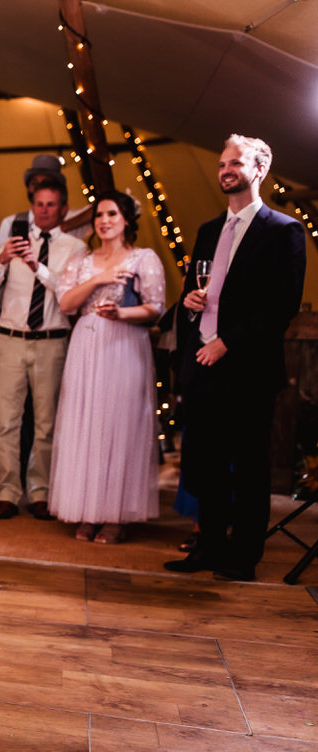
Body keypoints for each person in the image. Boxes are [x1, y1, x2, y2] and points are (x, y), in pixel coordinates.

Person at [166, 134, 306, 582]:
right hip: (201, 364)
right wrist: (190, 302)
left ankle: (243, 557)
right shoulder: (209, 230)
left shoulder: (283, 230)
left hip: (246, 369)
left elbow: (281, 305)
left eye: (235, 163)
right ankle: (206, 548)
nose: (225, 169)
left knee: (248, 466)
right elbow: (199, 287)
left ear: (259, 169)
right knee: (205, 463)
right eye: (222, 163)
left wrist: (227, 341)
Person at [49, 191, 166, 542]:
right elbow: (67, 303)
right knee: (85, 424)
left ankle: (115, 515)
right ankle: (87, 510)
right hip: (85, 345)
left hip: (124, 346)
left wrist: (122, 313)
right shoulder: (80, 260)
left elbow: (155, 307)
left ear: (126, 220)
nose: (104, 221)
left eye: (112, 214)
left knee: (120, 425)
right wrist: (98, 279)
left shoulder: (143, 258)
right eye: (99, 215)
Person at [0, 181, 86, 521]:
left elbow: (69, 291)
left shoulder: (75, 247)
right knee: (6, 422)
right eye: (38, 204)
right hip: (10, 340)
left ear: (63, 210)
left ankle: (40, 491)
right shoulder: (12, 237)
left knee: (46, 423)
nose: (43, 210)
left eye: (50, 204)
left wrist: (36, 265)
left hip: (52, 342)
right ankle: (8, 492)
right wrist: (2, 258)